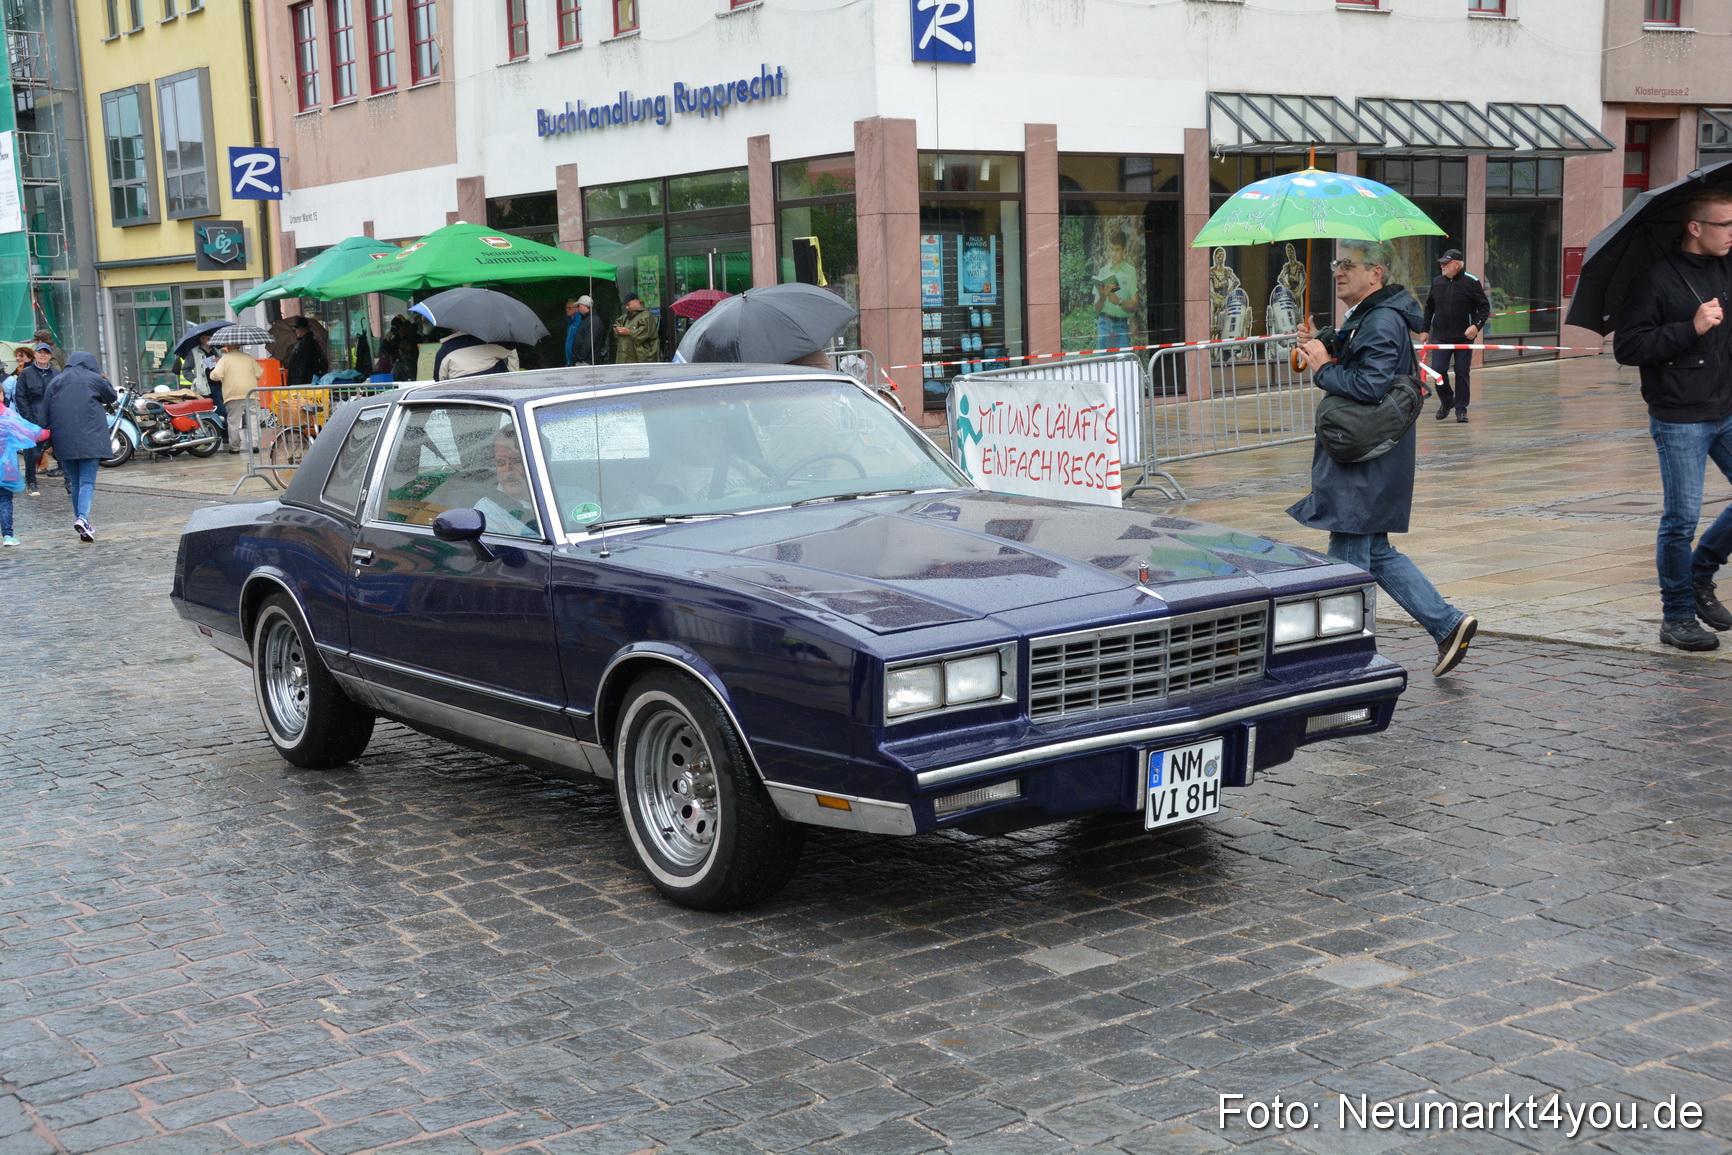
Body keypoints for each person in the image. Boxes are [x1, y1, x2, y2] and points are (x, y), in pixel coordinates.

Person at [1289, 239, 1478, 677]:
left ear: (1376, 273)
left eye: (1349, 264)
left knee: (1347, 561)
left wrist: (1324, 368)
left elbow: (1370, 386)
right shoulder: (1367, 316)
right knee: (1376, 551)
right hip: (1368, 456)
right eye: (1336, 263)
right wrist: (1315, 347)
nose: (1338, 271)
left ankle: (1344, 657)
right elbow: (1354, 364)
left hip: (1364, 461)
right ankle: (1447, 624)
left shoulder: (1379, 320)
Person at [1611, 188, 1732, 652]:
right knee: (1681, 519)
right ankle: (1677, 616)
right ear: (1695, 228)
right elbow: (1628, 347)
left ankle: (1700, 571)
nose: (1731, 233)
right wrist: (1691, 327)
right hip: (1680, 415)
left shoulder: (1726, 269)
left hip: (1726, 408)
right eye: (1724, 224)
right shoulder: (1656, 279)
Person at [38, 351, 117, 543]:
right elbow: (111, 397)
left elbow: (43, 415)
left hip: (63, 440)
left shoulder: (55, 381)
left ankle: (82, 525)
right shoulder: (94, 379)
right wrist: (102, 378)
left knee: (74, 482)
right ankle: (82, 518)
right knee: (87, 482)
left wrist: (47, 443)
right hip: (91, 439)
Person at [1418, 247, 1491, 423]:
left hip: (1463, 337)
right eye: (1441, 263)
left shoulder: (1471, 282)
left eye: (1446, 263)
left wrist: (1476, 326)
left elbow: (1484, 307)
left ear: (1457, 265)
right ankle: (1447, 400)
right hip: (1440, 336)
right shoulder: (1437, 282)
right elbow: (1429, 308)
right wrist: (1424, 330)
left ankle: (1461, 409)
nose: (1442, 266)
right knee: (1437, 371)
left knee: (1461, 371)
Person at [0, 395, 49, 546]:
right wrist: (49, 432)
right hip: (5, 467)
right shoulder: (7, 415)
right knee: (5, 499)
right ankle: (8, 535)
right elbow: (30, 432)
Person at [11, 343, 56, 497]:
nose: (43, 355)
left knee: (62, 449)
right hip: (33, 416)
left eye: (46, 353)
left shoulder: (56, 373)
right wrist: (28, 418)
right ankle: (31, 482)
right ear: (35, 355)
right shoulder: (26, 373)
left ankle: (69, 482)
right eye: (40, 352)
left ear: (50, 356)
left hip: (53, 416)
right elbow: (20, 397)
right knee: (31, 452)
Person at [208, 343, 265, 456]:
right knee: (253, 418)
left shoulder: (224, 359)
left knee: (233, 420)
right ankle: (254, 444)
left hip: (233, 393)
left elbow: (215, 376)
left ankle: (234, 447)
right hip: (251, 392)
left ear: (228, 347)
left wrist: (218, 368)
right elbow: (259, 374)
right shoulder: (249, 358)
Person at [1093, 232, 1139, 350]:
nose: (1113, 254)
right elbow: (1096, 308)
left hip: (1121, 324)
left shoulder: (1131, 272)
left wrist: (1119, 301)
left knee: (1123, 360)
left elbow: (1135, 305)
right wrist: (1102, 298)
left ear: (1124, 251)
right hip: (1104, 323)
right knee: (1104, 360)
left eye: (1117, 250)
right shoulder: (1103, 271)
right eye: (1112, 249)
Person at [433, 331, 517, 380]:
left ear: (454, 331)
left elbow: (439, 381)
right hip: (493, 396)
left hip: (460, 400)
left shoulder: (444, 352)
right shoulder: (489, 342)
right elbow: (510, 350)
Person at [612, 295, 659, 364]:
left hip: (641, 358)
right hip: (625, 357)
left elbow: (645, 333)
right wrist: (618, 330)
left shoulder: (646, 316)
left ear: (636, 301)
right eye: (625, 305)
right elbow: (617, 329)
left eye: (628, 304)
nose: (627, 307)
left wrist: (629, 332)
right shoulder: (624, 318)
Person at [284, 317, 328, 386]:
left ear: (301, 329)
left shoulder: (306, 343)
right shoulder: (305, 342)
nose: (296, 332)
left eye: (296, 329)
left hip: (303, 382)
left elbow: (303, 365)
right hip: (301, 381)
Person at [565, 295, 599, 366]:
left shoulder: (587, 321)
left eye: (579, 306)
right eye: (566, 308)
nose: (567, 310)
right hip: (575, 360)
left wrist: (580, 358)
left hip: (584, 361)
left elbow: (588, 342)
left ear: (584, 306)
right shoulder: (571, 324)